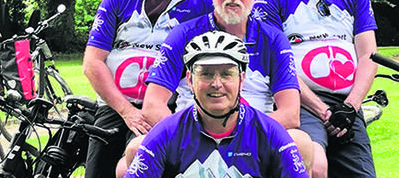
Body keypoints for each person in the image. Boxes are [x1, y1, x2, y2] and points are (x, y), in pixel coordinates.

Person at [117, 0, 310, 176]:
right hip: (190, 133)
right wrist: (190, 139)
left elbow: (290, 113)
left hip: (255, 137)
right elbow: (153, 105)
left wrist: (241, 138)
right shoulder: (183, 34)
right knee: (134, 151)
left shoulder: (273, 39)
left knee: (303, 145)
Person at [82, 0, 213, 178]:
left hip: (167, 108)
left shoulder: (200, 0)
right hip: (115, 106)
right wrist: (127, 111)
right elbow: (92, 62)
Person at [254, 0, 378, 178]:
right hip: (299, 102)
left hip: (347, 104)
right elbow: (276, 66)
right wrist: (323, 111)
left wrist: (351, 106)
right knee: (315, 166)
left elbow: (368, 55)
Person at [123, 30, 310, 178]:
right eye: (206, 74)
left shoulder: (270, 132)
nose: (217, 83)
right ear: (190, 80)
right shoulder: (166, 132)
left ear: (241, 79)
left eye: (227, 73)